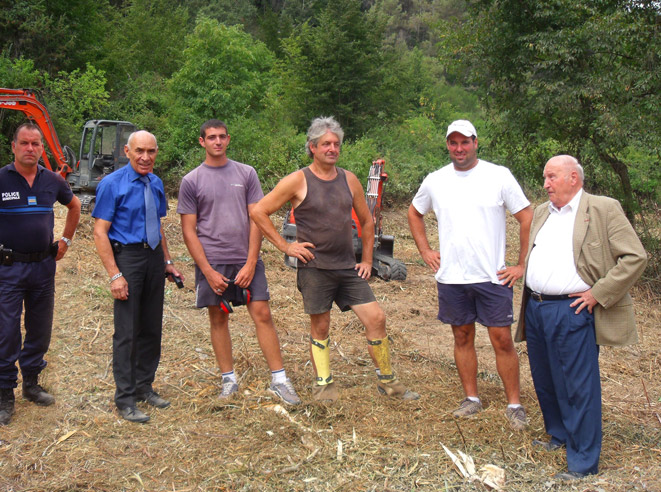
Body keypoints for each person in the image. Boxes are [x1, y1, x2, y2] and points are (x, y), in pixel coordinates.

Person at [250, 116, 419, 402]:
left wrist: (367, 261)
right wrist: (286, 247)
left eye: (336, 144)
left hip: (347, 267)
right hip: (315, 267)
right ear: (312, 147)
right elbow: (258, 211)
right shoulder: (297, 180)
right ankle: (324, 386)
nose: (332, 148)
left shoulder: (348, 179)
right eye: (325, 144)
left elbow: (367, 222)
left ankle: (388, 382)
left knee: (376, 318)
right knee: (321, 325)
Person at [515, 155, 647, 480]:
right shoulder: (543, 211)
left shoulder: (602, 209)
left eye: (551, 177)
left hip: (572, 310)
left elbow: (635, 256)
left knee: (577, 386)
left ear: (573, 178)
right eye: (545, 178)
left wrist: (597, 294)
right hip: (536, 307)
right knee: (545, 380)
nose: (545, 184)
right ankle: (559, 434)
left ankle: (583, 461)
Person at [0, 122, 81, 425]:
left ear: (41, 148)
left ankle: (32, 386)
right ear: (14, 146)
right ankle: (5, 396)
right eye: (24, 143)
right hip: (10, 269)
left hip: (43, 268)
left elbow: (74, 206)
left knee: (40, 330)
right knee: (8, 332)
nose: (31, 149)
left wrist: (65, 240)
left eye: (36, 144)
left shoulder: (52, 180)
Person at [407, 119, 533, 430]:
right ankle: (472, 399)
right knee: (462, 336)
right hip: (452, 276)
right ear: (448, 145)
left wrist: (521, 265)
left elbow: (527, 216)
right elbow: (414, 212)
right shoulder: (436, 180)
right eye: (453, 142)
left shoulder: (498, 176)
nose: (459, 148)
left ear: (476, 142)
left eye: (465, 142)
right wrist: (425, 250)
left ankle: (514, 404)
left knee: (502, 339)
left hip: (492, 275)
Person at [177, 119, 301, 404]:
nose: (217, 142)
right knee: (218, 318)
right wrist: (207, 271)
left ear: (229, 139)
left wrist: (250, 261)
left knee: (262, 314)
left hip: (245, 259)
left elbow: (257, 217)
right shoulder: (191, 180)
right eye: (211, 137)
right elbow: (188, 230)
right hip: (213, 262)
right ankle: (228, 381)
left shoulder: (246, 174)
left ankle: (279, 380)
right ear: (202, 142)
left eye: (222, 137)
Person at [92, 130, 184, 423]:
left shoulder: (155, 183)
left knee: (151, 328)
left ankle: (145, 386)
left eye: (151, 151)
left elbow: (156, 223)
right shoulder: (111, 184)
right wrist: (115, 275)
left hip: (153, 258)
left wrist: (167, 262)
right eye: (140, 151)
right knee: (127, 331)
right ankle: (125, 398)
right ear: (127, 151)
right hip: (128, 258)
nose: (146, 157)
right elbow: (100, 232)